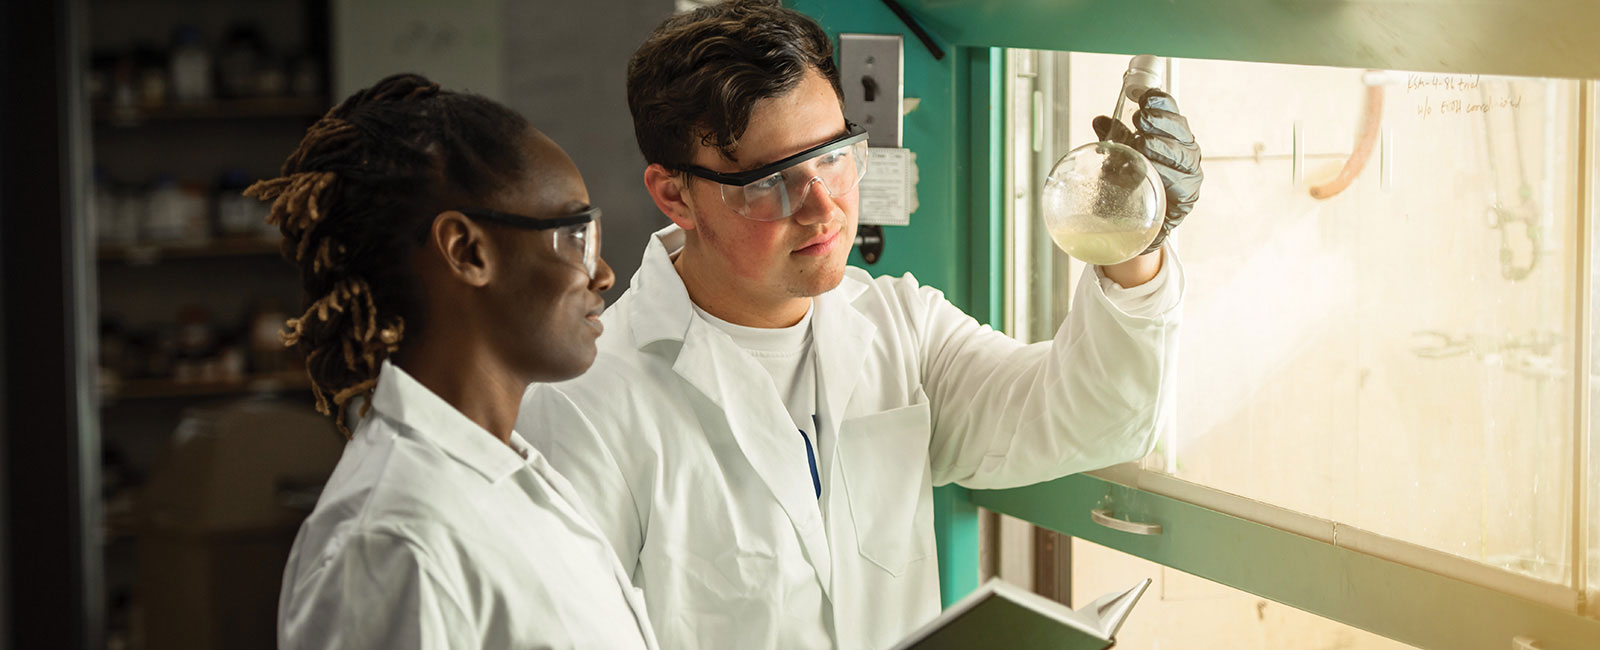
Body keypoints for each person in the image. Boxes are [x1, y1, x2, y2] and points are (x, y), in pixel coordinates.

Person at [518, 1, 1202, 647]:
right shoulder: (583, 403)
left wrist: (1131, 245)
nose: (822, 208)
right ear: (676, 196)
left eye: (833, 157)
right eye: (769, 182)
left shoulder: (898, 324)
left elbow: (1094, 417)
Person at [253, 73, 656, 649]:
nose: (603, 273)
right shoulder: (395, 542)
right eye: (574, 236)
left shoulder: (506, 473)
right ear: (467, 251)